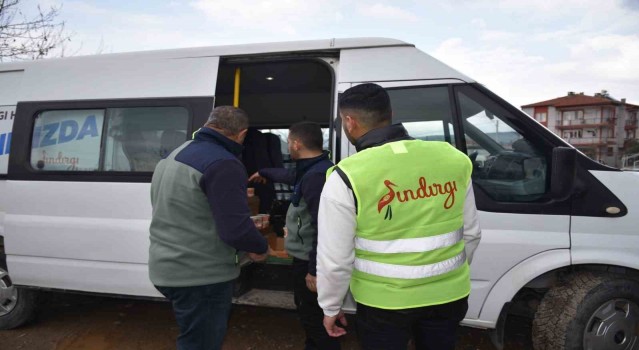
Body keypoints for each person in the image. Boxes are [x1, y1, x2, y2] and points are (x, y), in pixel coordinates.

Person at [316, 84, 482, 350]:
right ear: (390, 113)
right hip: (448, 297)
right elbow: (472, 233)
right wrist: (445, 278)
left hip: (384, 303)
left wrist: (331, 306)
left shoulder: (346, 176)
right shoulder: (453, 159)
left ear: (349, 121)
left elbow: (335, 259)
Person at [149, 106, 270, 350]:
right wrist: (259, 246)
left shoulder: (175, 154)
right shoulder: (223, 163)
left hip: (168, 265)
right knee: (201, 343)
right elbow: (235, 229)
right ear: (242, 134)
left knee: (194, 336)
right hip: (201, 275)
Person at [249, 122, 339, 350]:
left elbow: (324, 226)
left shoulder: (315, 177)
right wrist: (264, 172)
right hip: (308, 256)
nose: (288, 145)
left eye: (288, 141)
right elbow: (290, 175)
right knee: (311, 312)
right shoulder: (315, 167)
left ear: (297, 144)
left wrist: (313, 270)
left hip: (310, 260)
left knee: (312, 315)